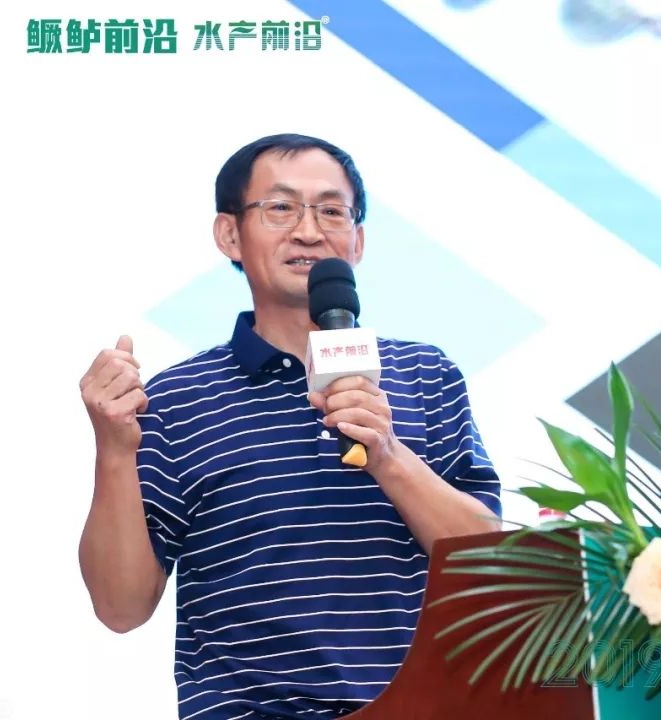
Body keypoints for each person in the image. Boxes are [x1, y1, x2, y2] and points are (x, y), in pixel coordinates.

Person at [77, 134, 503, 720]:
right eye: (281, 208)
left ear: (357, 240)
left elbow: (489, 566)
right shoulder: (174, 399)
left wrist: (388, 454)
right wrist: (113, 451)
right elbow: (120, 608)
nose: (308, 231)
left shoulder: (425, 374)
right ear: (229, 234)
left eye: (331, 211)